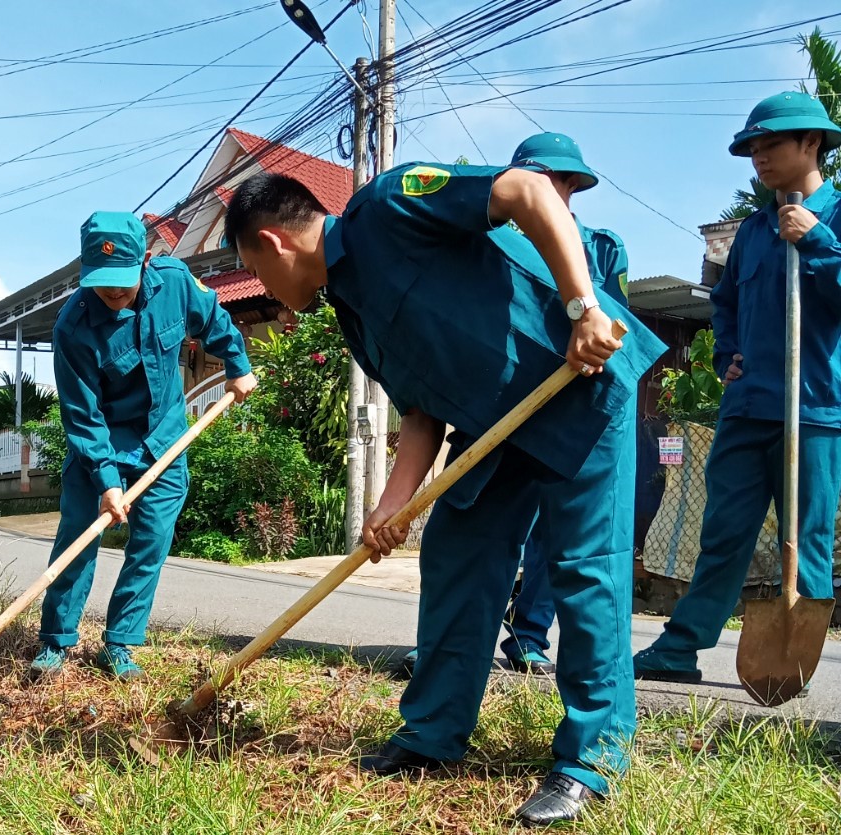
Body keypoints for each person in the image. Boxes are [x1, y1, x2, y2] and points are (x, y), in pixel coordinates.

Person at [223, 164, 664, 825]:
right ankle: (431, 735)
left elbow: (528, 191)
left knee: (582, 570)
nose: (272, 293)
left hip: (577, 384)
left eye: (255, 268)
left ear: (272, 241)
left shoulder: (389, 206)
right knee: (458, 555)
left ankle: (589, 763)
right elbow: (421, 412)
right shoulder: (351, 309)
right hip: (496, 429)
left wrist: (584, 307)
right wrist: (390, 507)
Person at [399, 132, 632, 678]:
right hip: (499, 414)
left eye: (555, 181)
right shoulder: (491, 243)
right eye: (537, 178)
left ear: (573, 185)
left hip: (575, 413)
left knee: (564, 545)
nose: (546, 190)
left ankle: (528, 637)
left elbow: (615, 322)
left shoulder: (601, 247)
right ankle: (447, 650)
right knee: (472, 536)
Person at [634, 92, 841, 685]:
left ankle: (794, 665)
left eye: (771, 143)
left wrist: (818, 241)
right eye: (752, 147)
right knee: (723, 534)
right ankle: (680, 648)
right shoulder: (752, 233)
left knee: (808, 541)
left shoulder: (837, 219)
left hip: (816, 411)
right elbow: (724, 304)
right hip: (748, 409)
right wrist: (728, 353)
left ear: (811, 143)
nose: (759, 157)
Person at [30, 211, 256, 682]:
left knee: (150, 542)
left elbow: (213, 317)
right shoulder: (72, 328)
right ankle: (55, 642)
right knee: (78, 536)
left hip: (164, 439)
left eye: (122, 282)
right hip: (102, 442)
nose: (112, 294)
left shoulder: (174, 283)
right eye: (101, 282)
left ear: (146, 261)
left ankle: (120, 644)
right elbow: (82, 415)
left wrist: (237, 363)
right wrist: (107, 482)